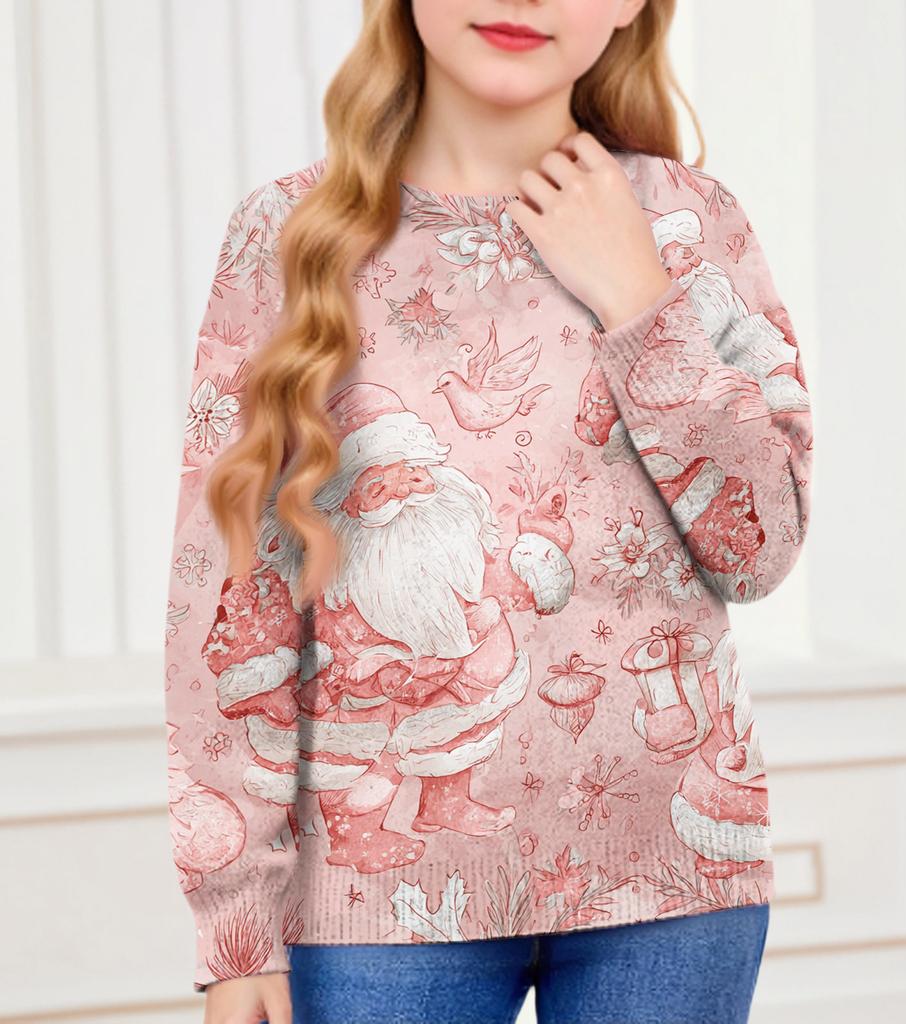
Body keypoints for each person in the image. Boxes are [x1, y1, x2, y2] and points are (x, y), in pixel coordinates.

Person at [162, 1, 813, 1021]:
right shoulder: (286, 234)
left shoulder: (691, 222)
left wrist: (638, 296)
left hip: (671, 887)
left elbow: (757, 549)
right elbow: (230, 591)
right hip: (377, 909)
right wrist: (237, 925)